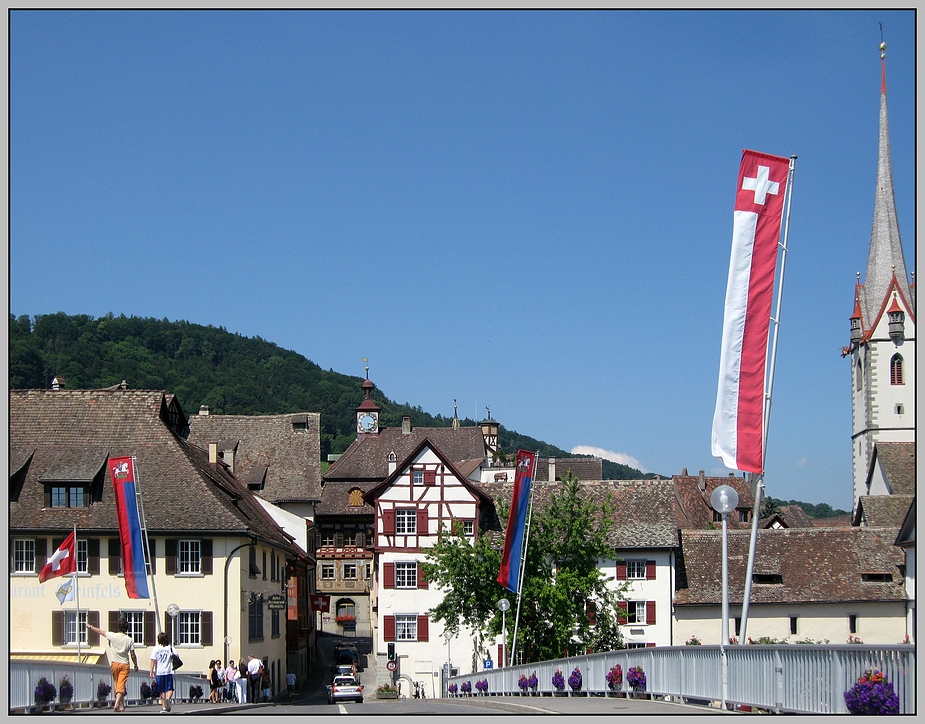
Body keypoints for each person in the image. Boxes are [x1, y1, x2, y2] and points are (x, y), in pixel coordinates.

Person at [87, 618, 138, 713]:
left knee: (117, 684)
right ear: (127, 628)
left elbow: (100, 631)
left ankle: (122, 707)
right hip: (124, 664)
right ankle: (116, 704)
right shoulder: (129, 640)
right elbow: (132, 654)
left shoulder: (113, 636)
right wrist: (135, 664)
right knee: (121, 685)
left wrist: (90, 627)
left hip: (114, 663)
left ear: (118, 627)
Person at [149, 632, 175, 713]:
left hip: (159, 672)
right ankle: (168, 698)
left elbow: (153, 660)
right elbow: (176, 656)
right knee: (170, 688)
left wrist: (151, 671)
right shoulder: (170, 648)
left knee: (162, 690)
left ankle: (163, 707)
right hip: (168, 671)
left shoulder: (156, 649)